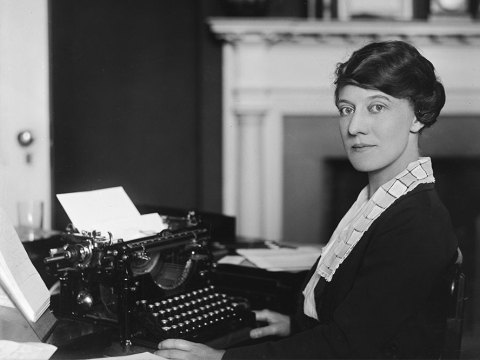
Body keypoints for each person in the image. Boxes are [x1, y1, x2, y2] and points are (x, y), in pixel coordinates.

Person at [154, 40, 459, 359]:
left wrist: (221, 359)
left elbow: (348, 347)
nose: (354, 127)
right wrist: (295, 325)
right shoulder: (379, 202)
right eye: (346, 109)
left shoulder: (417, 220)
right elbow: (362, 321)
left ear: (418, 116)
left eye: (376, 107)